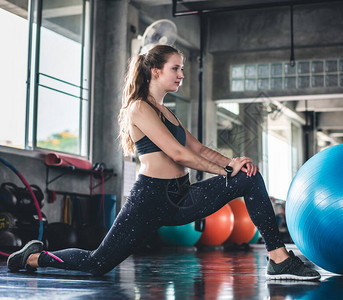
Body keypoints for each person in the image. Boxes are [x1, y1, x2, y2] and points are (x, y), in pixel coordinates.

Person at [7, 45, 320, 281]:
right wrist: (226, 170)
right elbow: (179, 154)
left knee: (249, 178)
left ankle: (279, 259)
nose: (181, 75)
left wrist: (234, 162)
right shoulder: (138, 108)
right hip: (150, 198)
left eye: (181, 68)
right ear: (155, 70)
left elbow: (198, 148)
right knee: (97, 264)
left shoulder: (167, 111)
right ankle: (32, 258)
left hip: (181, 195)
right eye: (176, 68)